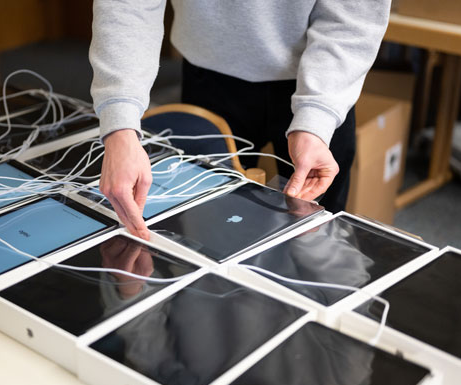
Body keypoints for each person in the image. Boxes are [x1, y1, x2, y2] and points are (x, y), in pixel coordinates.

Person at [89, 1, 390, 240]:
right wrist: (120, 126)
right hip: (210, 74)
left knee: (317, 237)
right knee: (209, 229)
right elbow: (128, 5)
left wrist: (316, 118)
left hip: (322, 82)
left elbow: (353, 18)